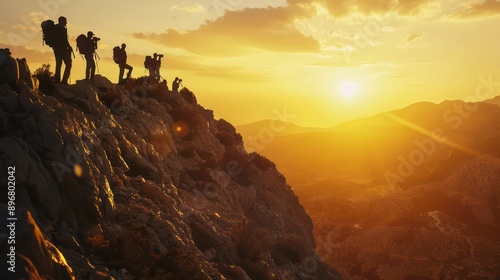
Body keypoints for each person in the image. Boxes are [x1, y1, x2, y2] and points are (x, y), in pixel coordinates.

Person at [52, 16, 72, 84]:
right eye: (65, 21)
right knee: (68, 64)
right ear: (61, 21)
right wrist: (69, 47)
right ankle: (64, 81)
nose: (66, 23)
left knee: (58, 64)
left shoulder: (54, 28)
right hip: (62, 48)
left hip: (55, 48)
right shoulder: (62, 29)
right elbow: (64, 39)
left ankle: (57, 80)